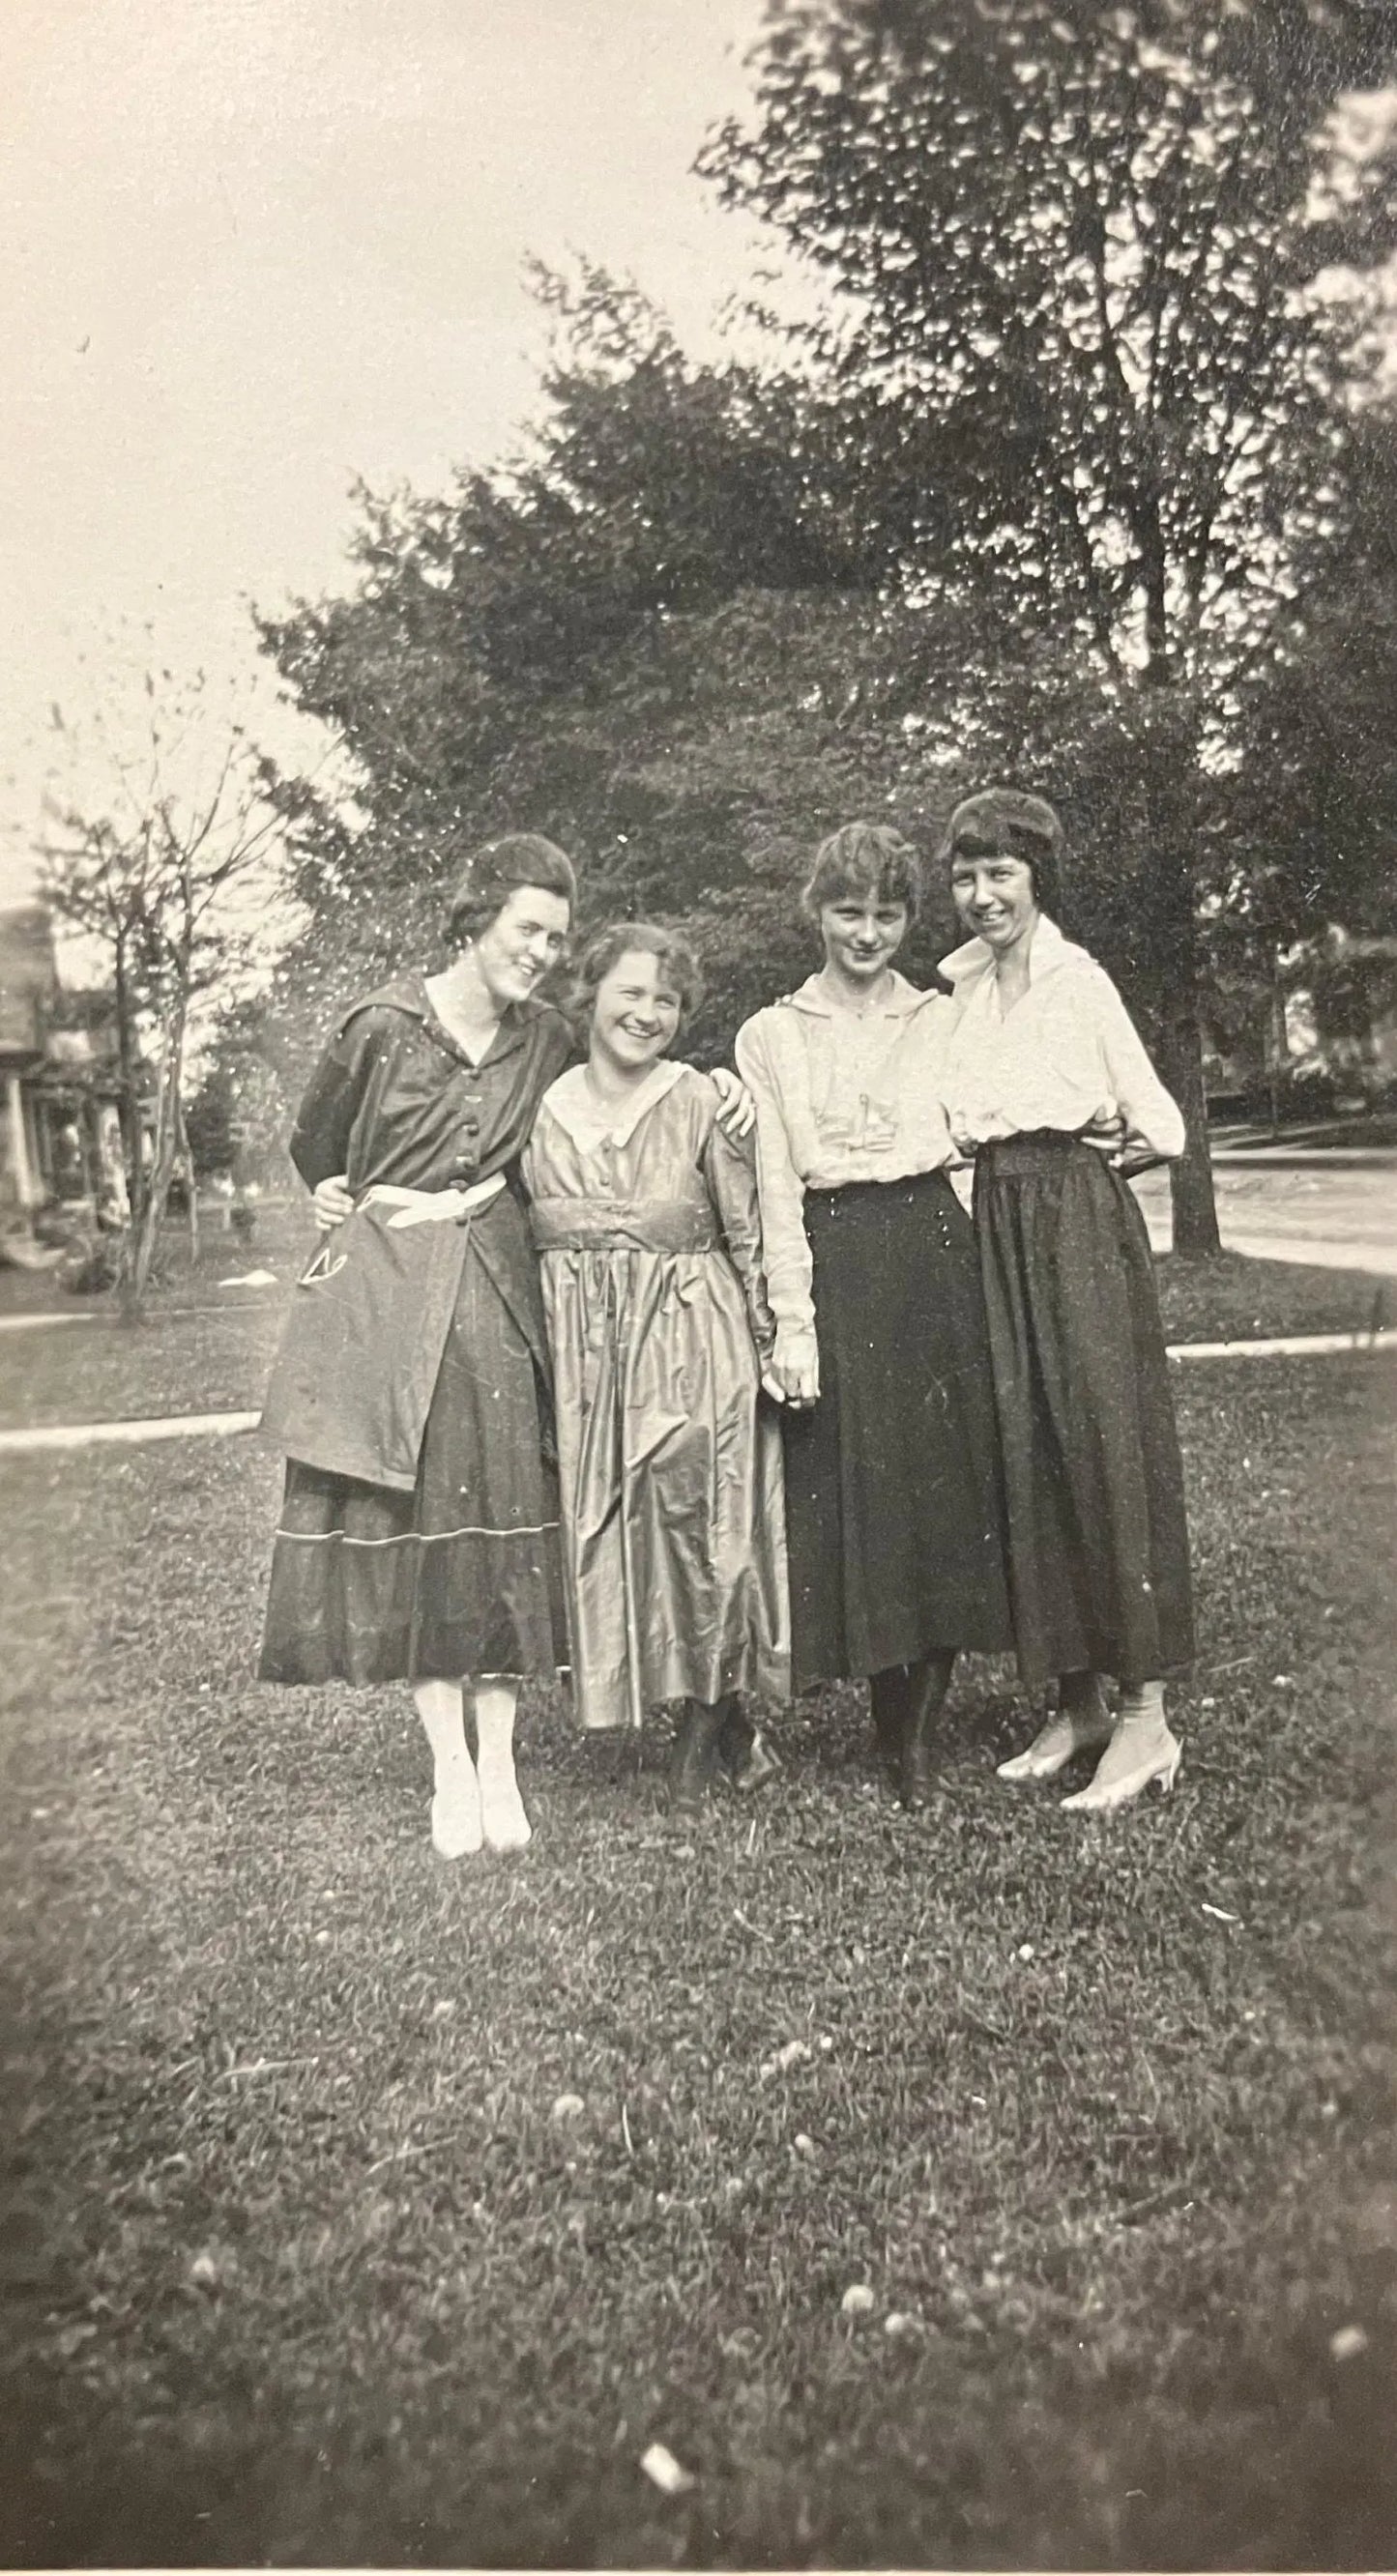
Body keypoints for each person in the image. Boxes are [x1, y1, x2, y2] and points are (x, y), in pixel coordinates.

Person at [258, 834, 577, 1862]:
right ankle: (449, 1765)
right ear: (475, 919)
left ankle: (502, 1763)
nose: (540, 952)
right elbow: (317, 1143)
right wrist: (333, 1190)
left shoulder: (547, 1038)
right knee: (418, 1521)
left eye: (556, 938)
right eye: (526, 928)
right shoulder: (380, 1025)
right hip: (388, 1289)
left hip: (493, 1281)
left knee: (500, 1518)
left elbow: (604, 1103)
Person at [735, 823, 1014, 1807]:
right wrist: (792, 1319)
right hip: (834, 1251)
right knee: (859, 1488)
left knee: (939, 1492)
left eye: (887, 915)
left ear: (908, 919)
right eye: (847, 911)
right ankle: (882, 1708)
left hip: (931, 1248)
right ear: (815, 911)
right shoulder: (770, 1034)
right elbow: (776, 1187)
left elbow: (982, 1136)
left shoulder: (943, 1015)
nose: (866, 933)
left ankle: (917, 1733)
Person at [938, 787, 1195, 1813]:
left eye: (1000, 872)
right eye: (964, 875)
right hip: (995, 1218)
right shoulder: (957, 986)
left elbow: (1162, 1126)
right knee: (1027, 1450)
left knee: (1098, 1448)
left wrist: (1086, 1175)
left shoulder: (1077, 981)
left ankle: (1144, 1718)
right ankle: (1076, 1701)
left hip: (1073, 1221)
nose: (980, 895)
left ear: (1038, 877)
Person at [522, 923, 788, 1807]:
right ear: (589, 996)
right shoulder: (541, 1105)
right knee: (620, 1531)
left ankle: (701, 1732)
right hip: (584, 1351)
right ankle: (732, 1725)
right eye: (630, 993)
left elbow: (745, 1226)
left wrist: (773, 1338)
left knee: (702, 1528)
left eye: (666, 1000)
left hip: (690, 1337)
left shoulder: (705, 1099)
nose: (646, 1013)